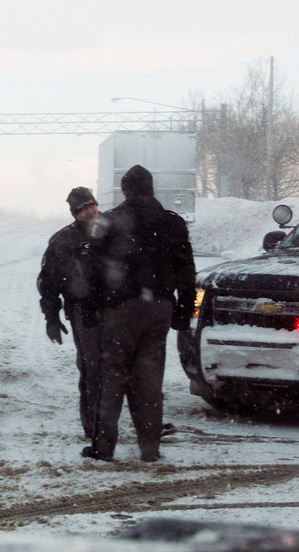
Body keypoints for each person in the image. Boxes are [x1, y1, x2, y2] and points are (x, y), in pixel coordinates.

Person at [84, 165, 196, 463]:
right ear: (151, 188)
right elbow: (186, 270)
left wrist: (90, 308)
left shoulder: (108, 221)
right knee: (149, 379)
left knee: (112, 377)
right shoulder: (173, 222)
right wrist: (183, 311)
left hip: (119, 309)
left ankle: (103, 447)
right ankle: (149, 447)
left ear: (125, 190)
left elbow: (92, 270)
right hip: (158, 308)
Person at [37, 187, 103, 440]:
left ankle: (139, 421)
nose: (90, 211)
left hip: (116, 311)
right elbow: (48, 283)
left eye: (92, 205)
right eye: (83, 208)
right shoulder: (63, 240)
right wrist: (51, 318)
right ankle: (93, 426)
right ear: (74, 212)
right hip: (82, 312)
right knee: (92, 368)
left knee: (123, 367)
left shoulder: (113, 231)